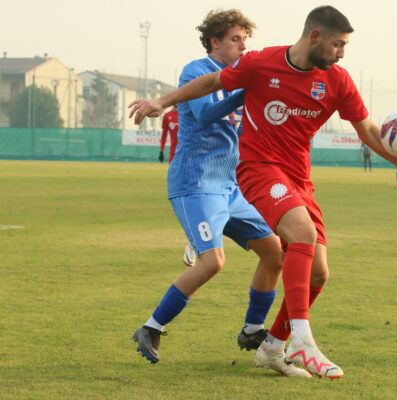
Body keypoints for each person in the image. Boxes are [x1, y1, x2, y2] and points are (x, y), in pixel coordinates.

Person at [129, 5, 397, 379]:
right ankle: (302, 342)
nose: (342, 52)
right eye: (338, 44)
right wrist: (162, 102)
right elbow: (211, 86)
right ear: (315, 37)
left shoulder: (337, 80)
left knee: (316, 273)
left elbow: (368, 130)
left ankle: (272, 347)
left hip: (297, 180)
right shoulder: (260, 63)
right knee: (291, 238)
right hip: (253, 171)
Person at [131, 9, 310, 378]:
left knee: (275, 252)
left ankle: (251, 329)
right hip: (196, 184)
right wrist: (245, 91)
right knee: (213, 263)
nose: (244, 46)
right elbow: (208, 114)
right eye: (235, 39)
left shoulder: (242, 76)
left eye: (246, 40)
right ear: (215, 42)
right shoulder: (195, 72)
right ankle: (151, 327)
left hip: (231, 188)